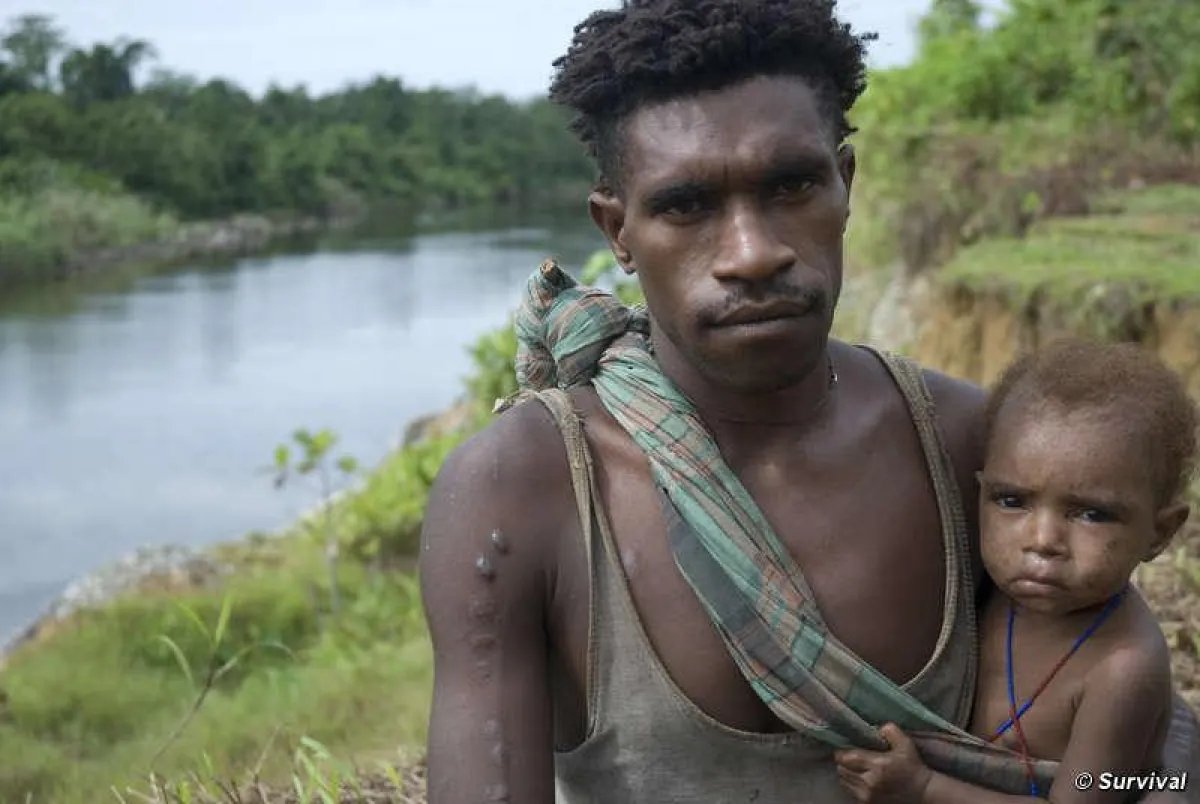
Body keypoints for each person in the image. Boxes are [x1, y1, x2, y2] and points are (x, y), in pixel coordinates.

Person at [417, 1, 1200, 802]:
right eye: (686, 205)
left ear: (845, 184)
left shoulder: (974, 449)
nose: (753, 253)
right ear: (617, 229)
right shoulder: (518, 492)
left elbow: (1137, 736)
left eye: (791, 185)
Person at [834, 340, 1197, 803]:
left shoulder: (1121, 670)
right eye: (1012, 501)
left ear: (1160, 533)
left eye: (1091, 514)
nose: (1042, 540)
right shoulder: (977, 592)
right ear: (979, 495)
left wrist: (923, 786)